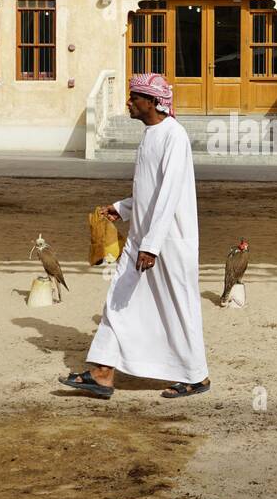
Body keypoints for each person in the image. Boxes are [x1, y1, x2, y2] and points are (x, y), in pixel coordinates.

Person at [59, 73, 210, 400]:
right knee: (119, 299)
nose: (128, 103)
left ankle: (196, 376)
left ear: (153, 102)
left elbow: (169, 195)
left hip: (168, 243)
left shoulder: (174, 136)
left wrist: (152, 246)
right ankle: (103, 373)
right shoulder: (151, 135)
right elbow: (149, 192)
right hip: (144, 240)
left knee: (178, 307)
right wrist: (121, 208)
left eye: (133, 97)